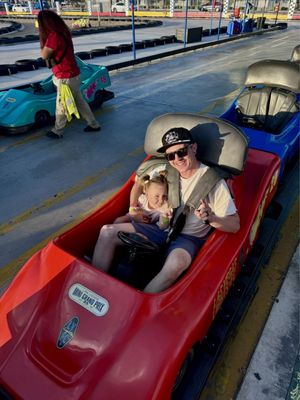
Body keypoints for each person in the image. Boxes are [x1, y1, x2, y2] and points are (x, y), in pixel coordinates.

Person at [92, 127, 240, 293]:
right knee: (107, 231)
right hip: (160, 228)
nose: (177, 159)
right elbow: (138, 183)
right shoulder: (166, 170)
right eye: (171, 155)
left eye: (181, 152)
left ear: (194, 148)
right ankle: (94, 288)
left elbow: (234, 225)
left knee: (176, 264)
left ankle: (142, 303)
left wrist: (211, 218)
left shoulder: (214, 182)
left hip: (188, 239)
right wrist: (133, 209)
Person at [37, 10, 101, 139]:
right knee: (79, 101)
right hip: (73, 74)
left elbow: (44, 55)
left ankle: (57, 131)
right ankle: (93, 124)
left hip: (65, 77)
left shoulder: (53, 36)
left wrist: (42, 41)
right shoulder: (64, 32)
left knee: (61, 105)